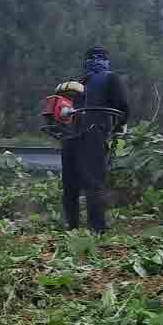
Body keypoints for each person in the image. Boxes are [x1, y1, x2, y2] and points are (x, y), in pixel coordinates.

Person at [61, 46, 132, 232]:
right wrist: (119, 126)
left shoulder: (78, 81)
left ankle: (71, 226)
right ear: (106, 60)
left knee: (70, 184)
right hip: (92, 134)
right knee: (94, 182)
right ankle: (97, 229)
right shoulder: (110, 78)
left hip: (69, 136)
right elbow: (123, 106)